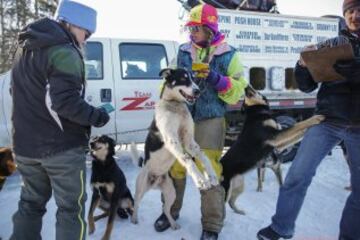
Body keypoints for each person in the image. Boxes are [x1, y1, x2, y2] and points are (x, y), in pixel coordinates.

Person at [257, 1, 360, 239]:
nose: (355, 15)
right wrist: (302, 65)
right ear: (344, 15)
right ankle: (280, 227)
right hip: (326, 120)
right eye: (350, 11)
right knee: (297, 175)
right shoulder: (330, 45)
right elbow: (306, 86)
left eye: (359, 10)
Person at [10, 0, 110, 239]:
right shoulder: (64, 51)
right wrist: (97, 115)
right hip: (60, 149)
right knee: (70, 210)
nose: (85, 40)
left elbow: (19, 93)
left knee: (30, 205)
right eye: (86, 33)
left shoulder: (25, 47)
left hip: (25, 146)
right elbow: (65, 103)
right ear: (73, 25)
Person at [154, 4, 248, 240]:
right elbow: (168, 83)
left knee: (210, 169)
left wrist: (217, 80)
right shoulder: (183, 51)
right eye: (190, 28)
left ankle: (212, 224)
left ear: (209, 29)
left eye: (196, 28)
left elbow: (238, 91)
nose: (191, 32)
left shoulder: (230, 54)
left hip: (210, 118)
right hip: (179, 114)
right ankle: (170, 212)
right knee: (175, 165)